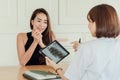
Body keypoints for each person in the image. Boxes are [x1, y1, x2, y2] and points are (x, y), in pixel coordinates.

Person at [45, 4, 120, 80]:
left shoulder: (87, 48)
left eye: (90, 21)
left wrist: (56, 67)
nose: (88, 25)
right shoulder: (117, 45)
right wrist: (82, 48)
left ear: (100, 23)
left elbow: (69, 79)